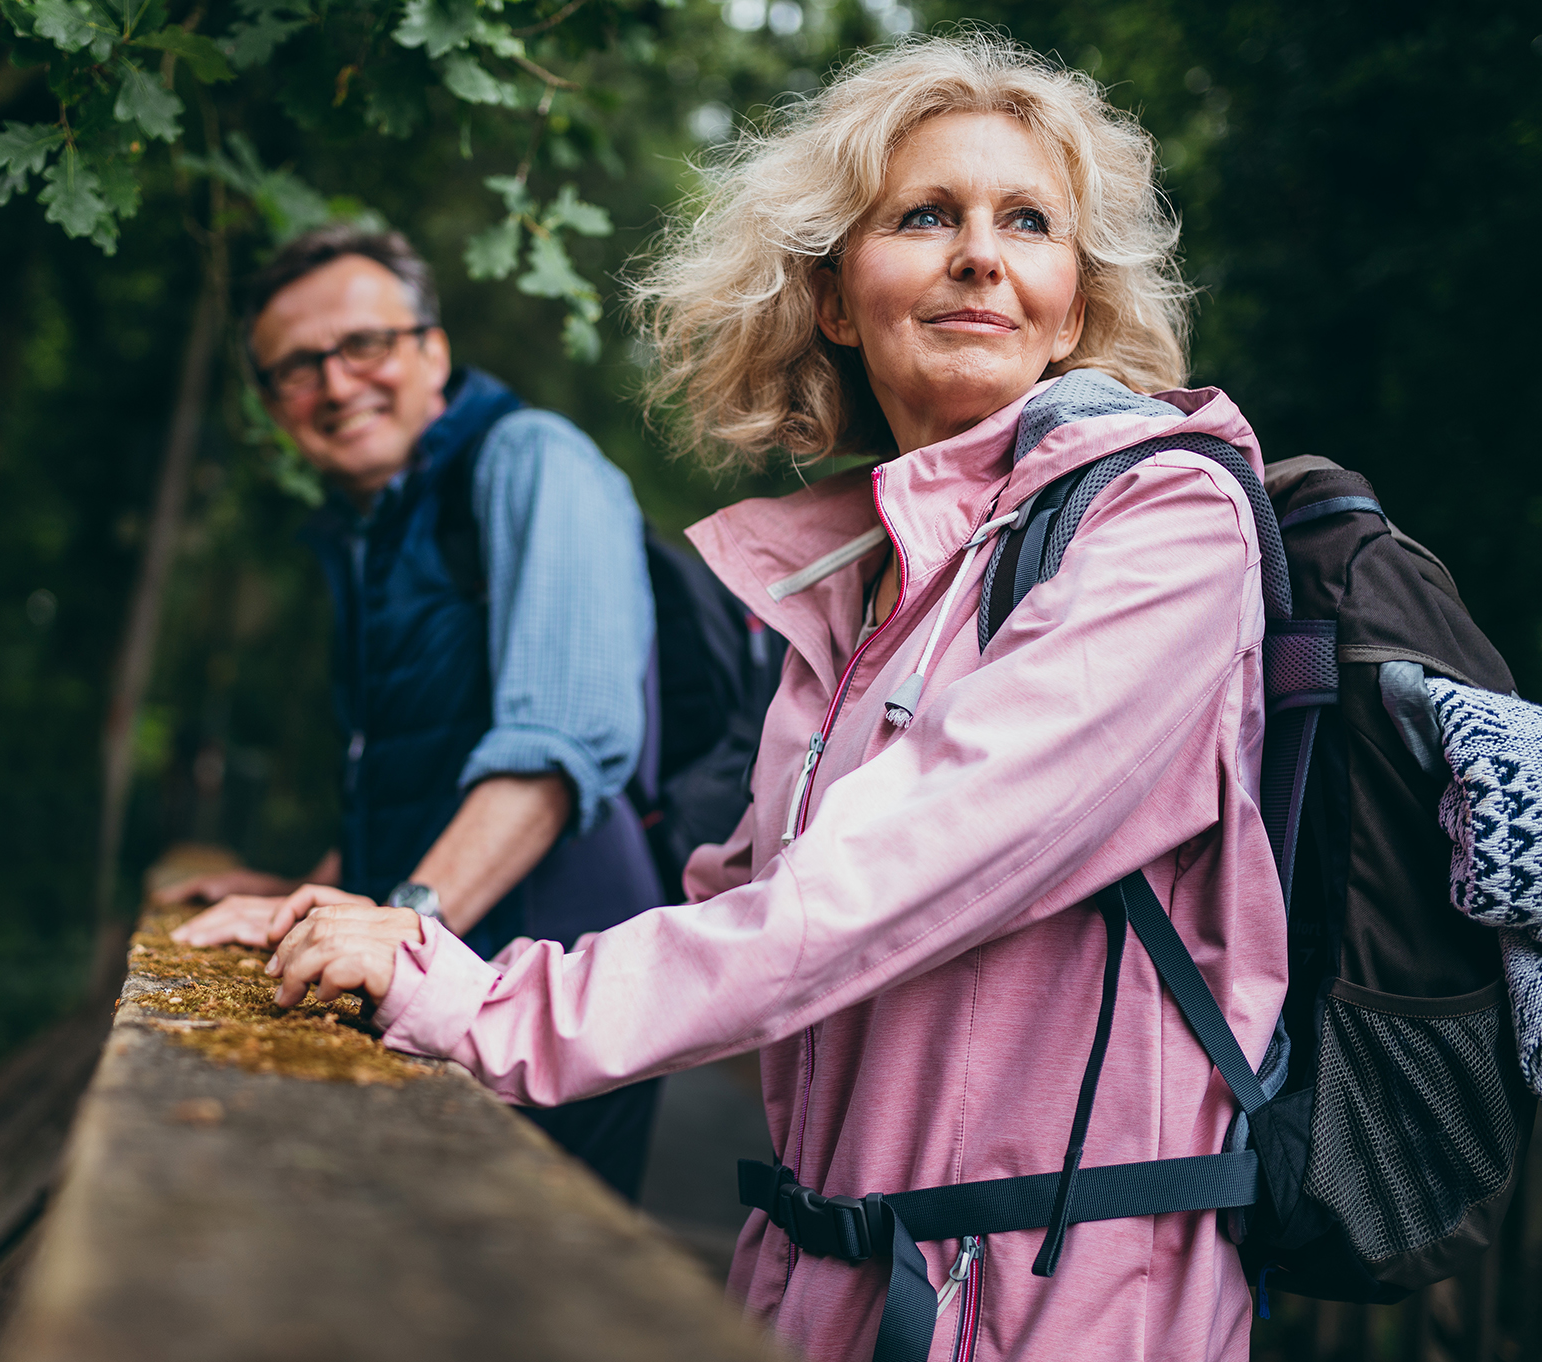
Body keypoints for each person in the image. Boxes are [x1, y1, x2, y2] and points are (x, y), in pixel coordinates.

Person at [257, 34, 1287, 1362]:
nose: (981, 252)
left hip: (1053, 1303)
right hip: (823, 1285)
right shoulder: (856, 585)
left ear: (1073, 302)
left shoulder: (1165, 526)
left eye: (1027, 221)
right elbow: (735, 901)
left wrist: (468, 995)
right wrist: (319, 914)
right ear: (839, 300)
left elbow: (883, 879)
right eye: (926, 216)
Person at [161, 226, 667, 1198]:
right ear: (274, 406)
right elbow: (405, 764)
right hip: (437, 966)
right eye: (297, 368)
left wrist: (396, 932)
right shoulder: (367, 532)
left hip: (552, 992)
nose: (338, 384)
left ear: (433, 349)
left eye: (365, 344)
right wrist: (307, 889)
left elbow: (552, 756)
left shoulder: (531, 462)